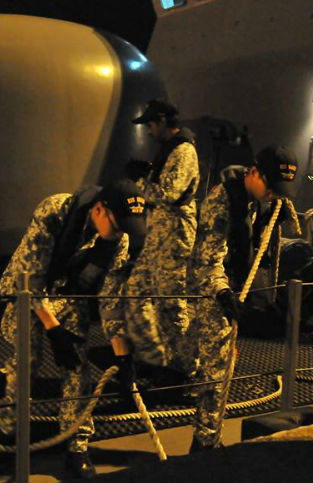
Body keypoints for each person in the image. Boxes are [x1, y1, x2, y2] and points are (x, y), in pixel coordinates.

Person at [0, 179, 146, 480]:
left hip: (68, 295)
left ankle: (76, 445)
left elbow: (110, 299)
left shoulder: (118, 241)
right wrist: (54, 330)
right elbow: (30, 277)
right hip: (25, 293)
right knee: (27, 361)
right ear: (100, 210)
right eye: (118, 225)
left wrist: (122, 356)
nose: (120, 233)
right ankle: (9, 433)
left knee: (78, 369)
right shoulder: (55, 210)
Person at [188, 145, 298, 451]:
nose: (273, 195)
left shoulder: (255, 200)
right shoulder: (221, 202)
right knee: (215, 370)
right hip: (208, 290)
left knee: (221, 368)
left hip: (228, 287)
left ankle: (207, 437)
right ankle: (204, 444)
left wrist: (269, 226)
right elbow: (207, 261)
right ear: (254, 172)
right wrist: (223, 293)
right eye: (271, 186)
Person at [124, 99, 200, 379]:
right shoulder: (169, 150)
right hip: (158, 239)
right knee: (136, 291)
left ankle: (185, 369)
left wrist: (140, 180)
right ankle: (154, 356)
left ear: (162, 121)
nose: (148, 131)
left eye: (150, 124)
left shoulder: (183, 151)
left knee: (171, 305)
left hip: (173, 238)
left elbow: (167, 194)